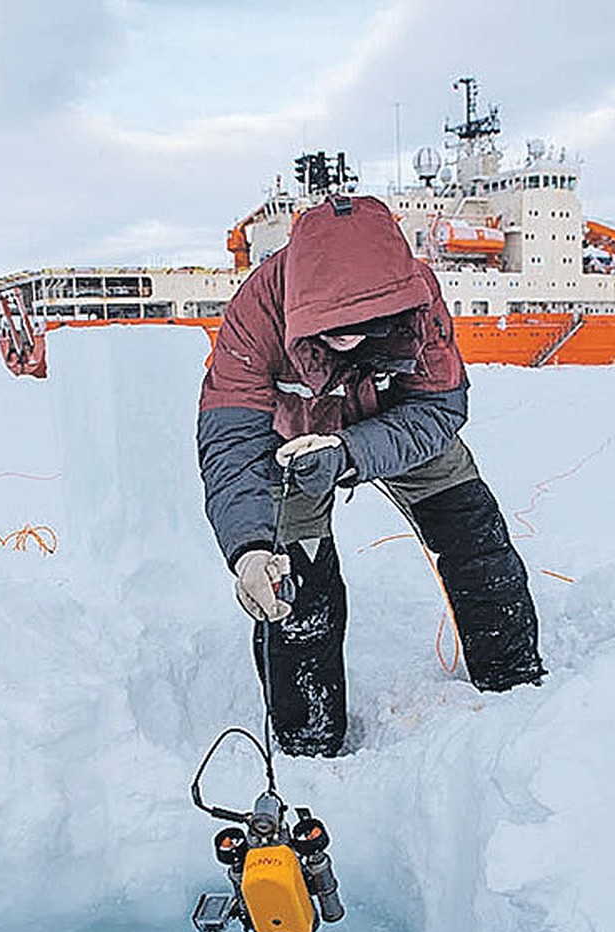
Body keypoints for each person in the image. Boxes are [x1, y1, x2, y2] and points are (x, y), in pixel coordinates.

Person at [196, 194, 544, 758]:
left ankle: (513, 682)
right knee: (294, 589)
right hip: (295, 446)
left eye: (361, 324)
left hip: (398, 427)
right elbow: (232, 436)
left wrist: (350, 452)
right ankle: (309, 739)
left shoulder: (419, 296)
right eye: (330, 324)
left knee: (475, 537)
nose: (346, 334)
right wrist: (250, 549)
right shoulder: (257, 307)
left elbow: (439, 410)